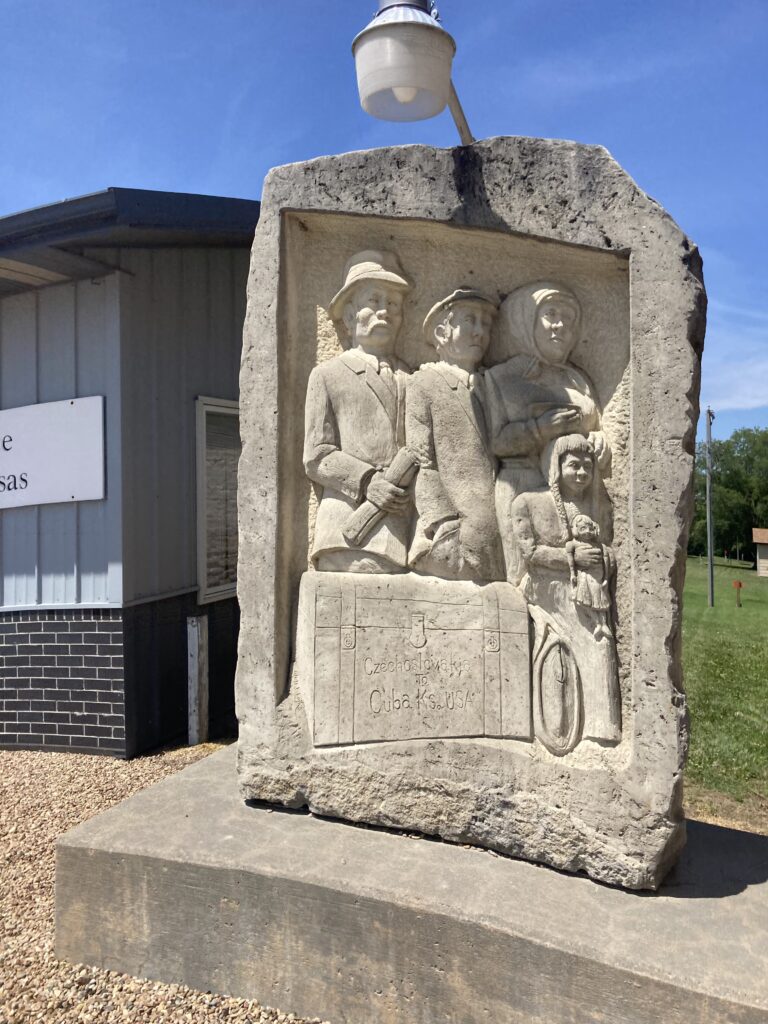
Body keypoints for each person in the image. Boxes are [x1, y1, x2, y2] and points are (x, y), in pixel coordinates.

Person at [484, 281, 609, 583]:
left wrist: (599, 440)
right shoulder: (502, 377)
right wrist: (538, 430)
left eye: (568, 319)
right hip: (522, 485)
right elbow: (494, 441)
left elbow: (596, 426)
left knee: (578, 578)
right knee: (527, 577)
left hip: (577, 490)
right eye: (550, 314)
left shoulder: (579, 381)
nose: (560, 325)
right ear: (527, 320)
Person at [304, 250, 414, 573]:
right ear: (350, 316)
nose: (384, 312)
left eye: (393, 304)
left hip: (399, 530)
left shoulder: (411, 379)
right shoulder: (327, 375)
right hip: (346, 528)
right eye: (374, 301)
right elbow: (317, 455)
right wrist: (367, 482)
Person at [509, 434, 621, 748]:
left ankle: (601, 730)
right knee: (555, 665)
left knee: (601, 648)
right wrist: (570, 556)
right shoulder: (528, 502)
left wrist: (600, 557)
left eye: (588, 466)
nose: (582, 473)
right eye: (574, 465)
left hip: (589, 598)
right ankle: (558, 733)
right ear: (556, 467)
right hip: (546, 598)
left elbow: (610, 548)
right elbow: (529, 554)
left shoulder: (599, 504)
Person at [407, 288, 504, 582]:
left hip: (498, 529)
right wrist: (443, 524)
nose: (480, 332)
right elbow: (422, 461)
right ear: (441, 332)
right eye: (470, 320)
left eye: (486, 324)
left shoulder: (493, 385)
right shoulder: (424, 382)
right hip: (453, 534)